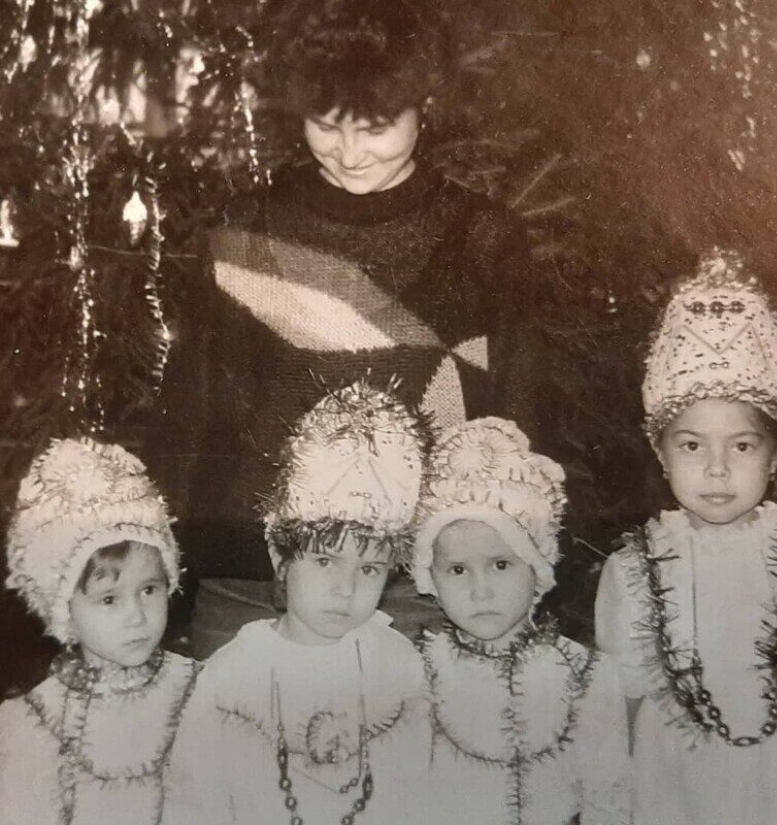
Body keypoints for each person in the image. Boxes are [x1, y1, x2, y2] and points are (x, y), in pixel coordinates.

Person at [153, 0, 544, 656]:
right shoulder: (247, 232)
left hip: (423, 585)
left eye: (375, 126)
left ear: (423, 100)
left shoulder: (482, 240)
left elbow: (519, 424)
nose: (350, 152)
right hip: (254, 583)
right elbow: (190, 420)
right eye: (326, 124)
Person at [595, 250, 777, 825]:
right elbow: (617, 699)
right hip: (672, 783)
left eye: (742, 446)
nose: (716, 469)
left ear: (774, 456)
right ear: (661, 454)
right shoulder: (632, 569)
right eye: (692, 445)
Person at [163, 380, 431, 825]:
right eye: (326, 561)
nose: (346, 588)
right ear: (280, 556)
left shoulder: (398, 663)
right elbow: (192, 803)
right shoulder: (229, 675)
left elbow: (418, 791)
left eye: (369, 569)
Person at [412, 417, 630, 825]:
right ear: (432, 580)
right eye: (458, 570)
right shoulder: (416, 673)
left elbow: (609, 796)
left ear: (537, 569)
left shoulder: (586, 675)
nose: (481, 591)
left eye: (500, 564)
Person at [0, 437, 199, 825]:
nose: (137, 616)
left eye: (149, 590)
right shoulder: (31, 723)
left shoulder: (202, 689)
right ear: (65, 608)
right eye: (109, 599)